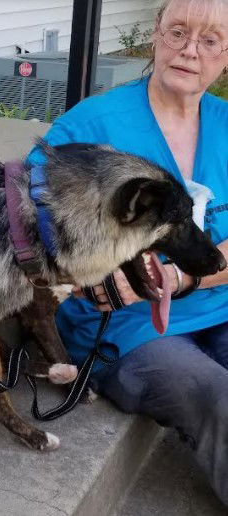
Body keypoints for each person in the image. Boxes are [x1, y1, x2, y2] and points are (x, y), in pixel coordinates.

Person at [27, 0, 228, 505]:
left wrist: (184, 280)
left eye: (210, 40)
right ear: (155, 35)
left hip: (219, 306)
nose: (189, 51)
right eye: (178, 31)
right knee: (218, 396)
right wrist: (91, 274)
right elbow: (26, 218)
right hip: (128, 328)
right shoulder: (92, 126)